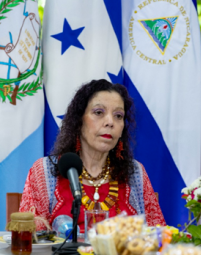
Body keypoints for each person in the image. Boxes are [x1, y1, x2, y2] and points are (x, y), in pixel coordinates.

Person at [20, 79, 166, 231]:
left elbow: (159, 236)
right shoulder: (44, 171)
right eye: (98, 112)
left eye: (118, 116)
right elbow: (30, 240)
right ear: (79, 120)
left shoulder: (135, 173)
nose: (110, 122)